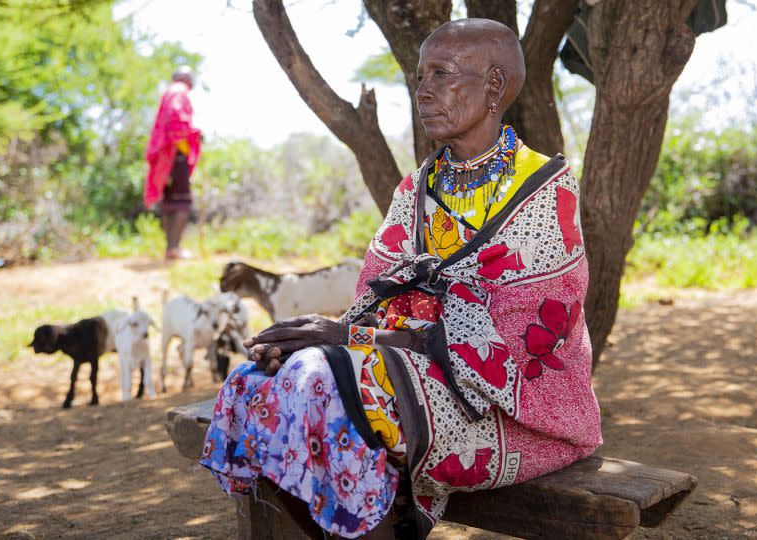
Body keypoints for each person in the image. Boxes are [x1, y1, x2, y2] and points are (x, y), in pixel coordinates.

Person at [199, 19, 601, 539]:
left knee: (326, 384)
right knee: (263, 380)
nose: (423, 90)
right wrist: (314, 341)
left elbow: (507, 356)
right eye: (420, 76)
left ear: (494, 86)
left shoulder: (544, 192)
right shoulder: (416, 191)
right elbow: (377, 303)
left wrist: (346, 340)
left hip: (517, 413)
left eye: (442, 74)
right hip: (418, 371)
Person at [144, 66, 201, 260]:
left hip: (165, 157)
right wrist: (193, 132)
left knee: (170, 203)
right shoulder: (179, 91)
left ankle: (170, 249)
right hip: (175, 153)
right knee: (183, 203)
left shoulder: (168, 92)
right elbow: (176, 118)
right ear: (185, 78)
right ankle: (175, 249)